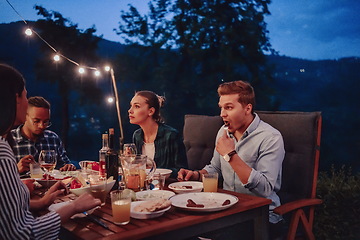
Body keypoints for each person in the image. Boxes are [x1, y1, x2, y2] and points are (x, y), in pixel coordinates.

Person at [0, 63, 101, 239]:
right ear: (15, 98)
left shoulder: (49, 138)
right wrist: (73, 207)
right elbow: (21, 234)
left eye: (45, 122)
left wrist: (42, 202)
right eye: (25, 95)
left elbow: (7, 209)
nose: (41, 126)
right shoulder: (3, 153)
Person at [177, 80, 285, 238]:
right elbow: (216, 168)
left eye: (229, 107)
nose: (222, 114)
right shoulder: (223, 131)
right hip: (228, 211)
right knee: (181, 230)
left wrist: (231, 155)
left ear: (248, 108)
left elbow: (265, 188)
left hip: (262, 216)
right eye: (221, 108)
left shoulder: (271, 138)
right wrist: (196, 175)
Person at [128, 90, 188, 178]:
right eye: (131, 106)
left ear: (151, 111)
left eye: (136, 106)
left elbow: (182, 170)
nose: (130, 110)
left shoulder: (171, 135)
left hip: (166, 187)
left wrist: (149, 169)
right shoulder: (137, 136)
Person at [11, 96, 76, 174]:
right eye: (36, 121)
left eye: (45, 122)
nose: (41, 126)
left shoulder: (53, 138)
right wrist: (15, 170)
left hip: (50, 186)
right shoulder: (9, 140)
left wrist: (69, 167)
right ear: (25, 116)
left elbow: (65, 164)